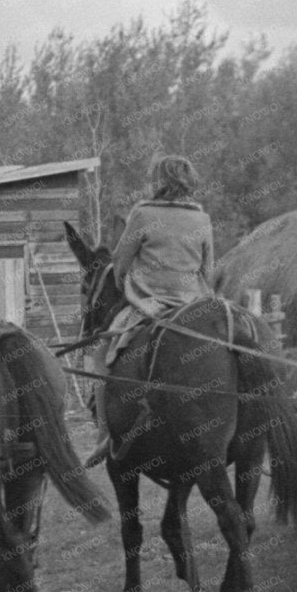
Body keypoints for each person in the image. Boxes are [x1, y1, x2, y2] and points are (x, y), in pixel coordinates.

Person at [86, 155, 217, 464]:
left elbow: (119, 264)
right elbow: (208, 272)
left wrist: (129, 284)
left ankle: (105, 434)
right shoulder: (202, 219)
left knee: (101, 355)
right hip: (194, 304)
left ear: (157, 181)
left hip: (149, 305)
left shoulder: (143, 214)